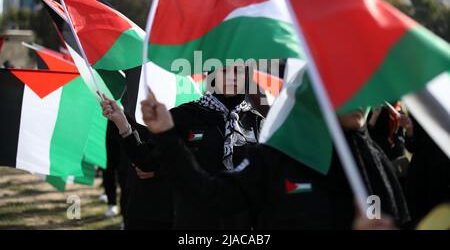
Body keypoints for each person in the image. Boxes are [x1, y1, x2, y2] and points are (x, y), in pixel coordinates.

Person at [120, 90, 410, 229]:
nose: (357, 95)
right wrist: (167, 136)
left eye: (363, 85)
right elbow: (211, 194)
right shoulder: (280, 155)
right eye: (344, 84)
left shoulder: (376, 162)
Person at [101, 63, 265, 229]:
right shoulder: (184, 116)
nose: (232, 76)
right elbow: (147, 161)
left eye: (239, 71)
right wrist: (122, 124)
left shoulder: (258, 122)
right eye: (224, 70)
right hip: (194, 222)